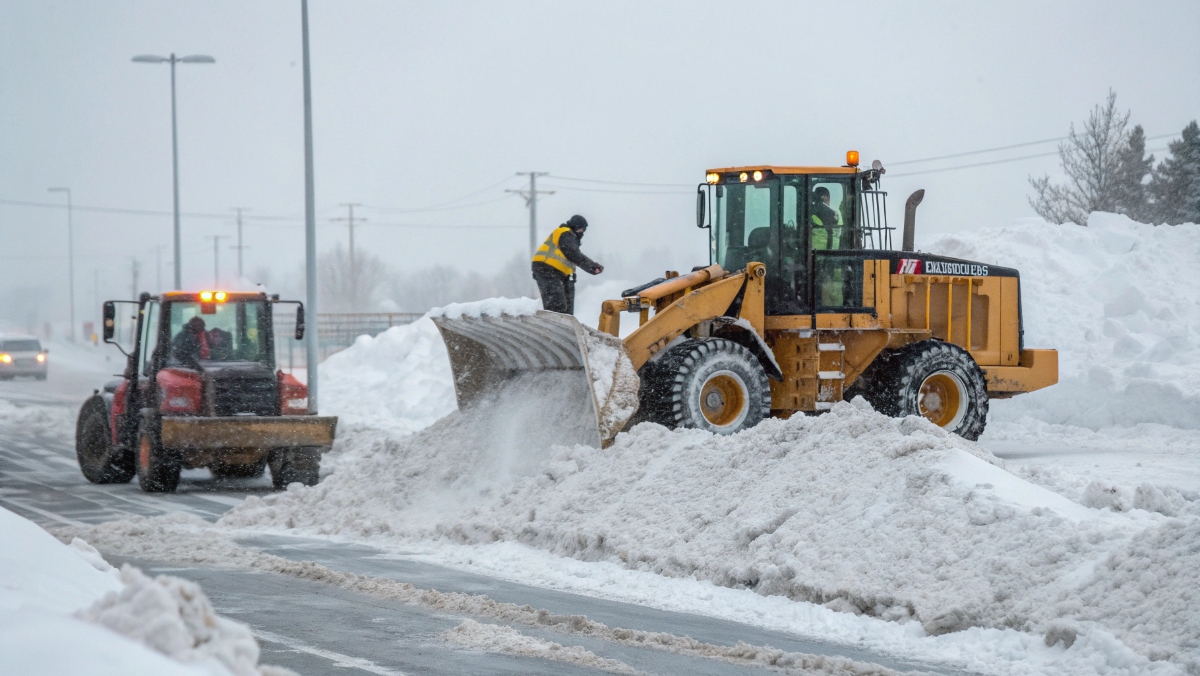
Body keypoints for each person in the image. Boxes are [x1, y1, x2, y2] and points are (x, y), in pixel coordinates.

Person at [531, 214, 603, 314]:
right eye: (582, 230)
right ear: (576, 226)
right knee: (556, 305)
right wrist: (592, 266)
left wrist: (570, 280)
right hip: (547, 268)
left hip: (551, 270)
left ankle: (562, 324)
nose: (582, 233)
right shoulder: (566, 233)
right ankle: (555, 326)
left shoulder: (568, 238)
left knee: (562, 307)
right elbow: (573, 254)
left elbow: (569, 258)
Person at [810, 186, 840, 251]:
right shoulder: (832, 212)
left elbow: (830, 234)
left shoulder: (823, 211)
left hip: (820, 251)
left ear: (824, 197)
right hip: (827, 250)